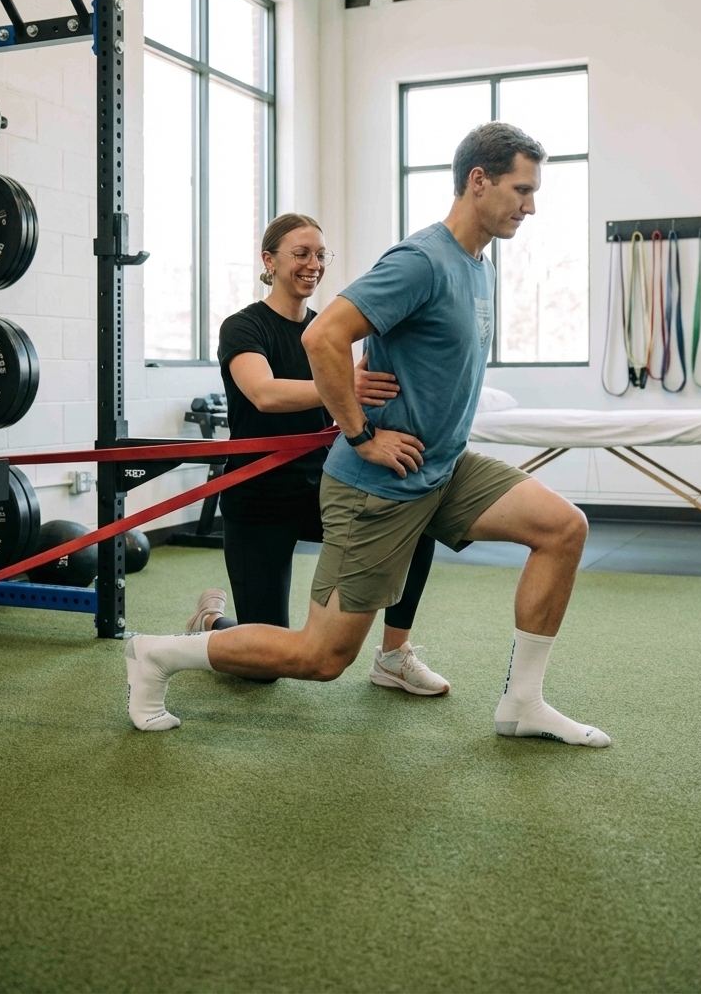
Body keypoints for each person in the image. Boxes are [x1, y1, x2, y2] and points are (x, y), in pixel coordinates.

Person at [125, 123, 610, 749]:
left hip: (441, 467)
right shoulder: (421, 261)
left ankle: (523, 703)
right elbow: (323, 338)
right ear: (478, 180)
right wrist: (360, 435)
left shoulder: (479, 266)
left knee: (563, 528)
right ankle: (157, 654)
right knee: (320, 659)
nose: (531, 205)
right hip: (377, 483)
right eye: (522, 189)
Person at [184, 212, 449, 696]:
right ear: (269, 260)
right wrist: (340, 384)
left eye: (321, 255)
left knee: (414, 518)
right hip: (258, 497)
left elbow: (353, 396)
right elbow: (263, 393)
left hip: (322, 487)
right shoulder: (242, 327)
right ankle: (212, 620)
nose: (313, 264)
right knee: (264, 667)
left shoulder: (328, 331)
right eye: (301, 254)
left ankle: (394, 655)